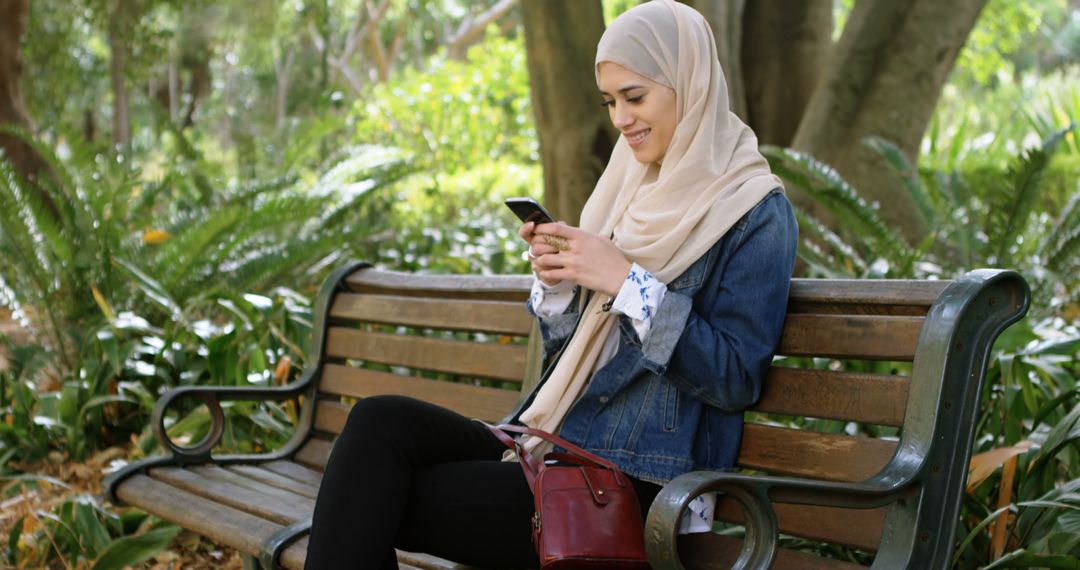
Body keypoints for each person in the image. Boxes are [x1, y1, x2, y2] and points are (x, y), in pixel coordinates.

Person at [304, 0, 797, 567]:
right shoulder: (630, 186)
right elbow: (577, 353)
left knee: (374, 497)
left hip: (637, 476)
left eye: (635, 98)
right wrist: (561, 286)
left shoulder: (754, 210)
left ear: (692, 84)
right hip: (553, 438)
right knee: (377, 423)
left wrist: (626, 281)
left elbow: (735, 378)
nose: (620, 119)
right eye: (611, 102)